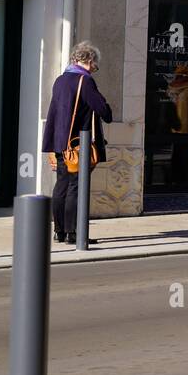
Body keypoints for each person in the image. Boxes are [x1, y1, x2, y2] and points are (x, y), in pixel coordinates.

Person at [41, 41, 112, 246]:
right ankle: (74, 233)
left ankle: (59, 231)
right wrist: (106, 107)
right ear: (89, 61)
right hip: (77, 144)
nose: (94, 69)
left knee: (61, 185)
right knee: (76, 186)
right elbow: (102, 109)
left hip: (60, 142)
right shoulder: (84, 80)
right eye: (95, 66)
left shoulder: (60, 80)